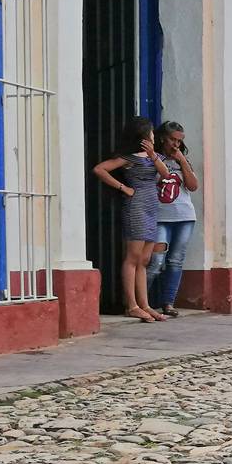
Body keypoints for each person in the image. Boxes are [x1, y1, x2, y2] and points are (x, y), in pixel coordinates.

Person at [91, 117, 171, 323]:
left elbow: (166, 175)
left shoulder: (154, 157)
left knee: (145, 259)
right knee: (133, 257)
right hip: (136, 207)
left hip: (152, 207)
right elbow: (100, 169)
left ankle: (145, 304)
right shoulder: (130, 158)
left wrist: (153, 156)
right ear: (143, 135)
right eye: (151, 133)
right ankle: (132, 305)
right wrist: (123, 187)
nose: (153, 136)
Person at [147, 121, 199, 318]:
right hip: (160, 215)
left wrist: (182, 161)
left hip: (184, 216)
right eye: (172, 139)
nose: (176, 144)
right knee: (156, 260)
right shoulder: (154, 158)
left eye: (179, 141)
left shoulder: (181, 160)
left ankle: (168, 302)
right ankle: (143, 301)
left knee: (176, 260)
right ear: (162, 138)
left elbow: (193, 186)